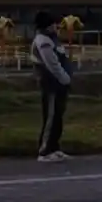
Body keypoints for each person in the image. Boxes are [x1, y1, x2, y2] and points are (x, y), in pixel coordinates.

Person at [31, 11, 72, 162]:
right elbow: (52, 64)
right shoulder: (44, 41)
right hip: (51, 84)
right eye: (54, 24)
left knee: (57, 116)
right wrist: (65, 78)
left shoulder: (52, 39)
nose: (56, 26)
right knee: (51, 116)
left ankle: (54, 147)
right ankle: (45, 151)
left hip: (58, 84)